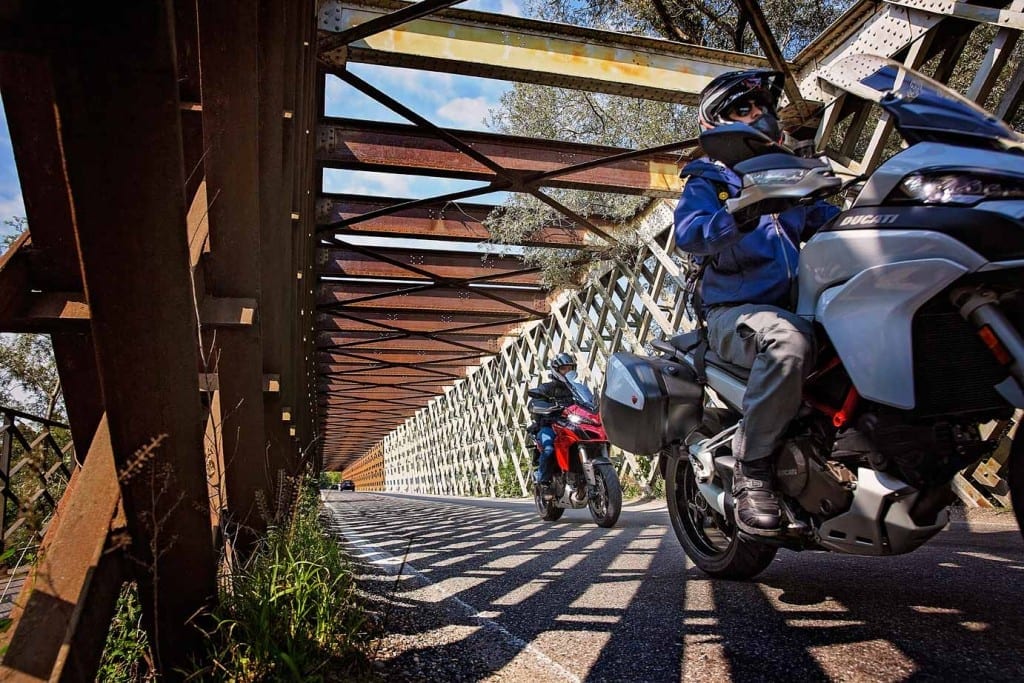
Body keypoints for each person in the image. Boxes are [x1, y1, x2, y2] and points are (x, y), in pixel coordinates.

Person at [674, 70, 840, 536]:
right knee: (786, 341)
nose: (759, 115)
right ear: (716, 120)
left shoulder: (790, 175)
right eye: (743, 108)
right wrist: (740, 211)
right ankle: (754, 468)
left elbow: (830, 224)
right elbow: (691, 234)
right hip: (733, 315)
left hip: (799, 307)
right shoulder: (708, 180)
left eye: (763, 107)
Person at [528, 352, 577, 488]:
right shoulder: (546, 388)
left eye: (570, 368)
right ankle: (544, 481)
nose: (567, 371)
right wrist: (545, 407)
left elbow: (587, 401)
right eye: (563, 368)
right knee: (549, 448)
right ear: (556, 370)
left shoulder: (577, 389)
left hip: (570, 426)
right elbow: (533, 403)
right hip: (550, 426)